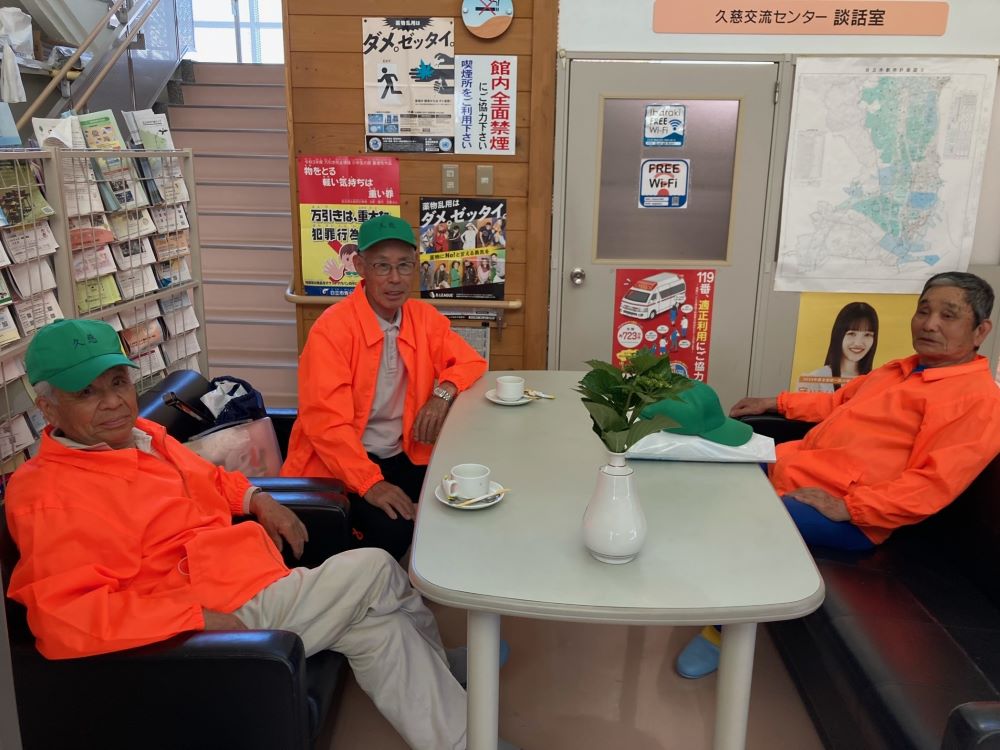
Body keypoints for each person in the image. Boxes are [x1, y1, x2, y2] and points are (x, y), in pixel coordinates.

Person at [4, 319, 468, 750]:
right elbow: (64, 618)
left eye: (118, 383)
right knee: (375, 567)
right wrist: (195, 619)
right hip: (212, 617)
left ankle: (466, 739)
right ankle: (442, 661)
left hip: (247, 578)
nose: (112, 402)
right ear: (48, 408)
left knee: (380, 630)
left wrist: (258, 499)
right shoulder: (46, 492)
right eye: (86, 392)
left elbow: (209, 478)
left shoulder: (142, 436)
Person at [676, 272, 1000, 679]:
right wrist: (776, 402)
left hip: (855, 515)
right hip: (798, 469)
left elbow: (932, 486)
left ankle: (722, 631)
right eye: (923, 311)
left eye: (948, 315)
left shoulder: (979, 401)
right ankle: (690, 579)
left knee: (757, 520)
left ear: (980, 331)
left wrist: (850, 507)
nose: (930, 324)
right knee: (710, 464)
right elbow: (839, 403)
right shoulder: (900, 369)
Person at [282, 214, 488, 560]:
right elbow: (327, 424)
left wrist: (442, 394)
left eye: (404, 265)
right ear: (361, 267)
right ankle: (368, 586)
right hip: (339, 464)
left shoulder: (423, 318)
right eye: (382, 266)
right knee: (394, 528)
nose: (395, 279)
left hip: (402, 452)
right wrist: (370, 483)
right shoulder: (331, 330)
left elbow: (471, 362)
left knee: (463, 501)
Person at [798, 301, 878, 392]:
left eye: (867, 335)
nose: (858, 343)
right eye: (851, 333)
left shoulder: (877, 383)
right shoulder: (813, 380)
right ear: (838, 335)